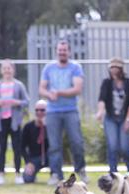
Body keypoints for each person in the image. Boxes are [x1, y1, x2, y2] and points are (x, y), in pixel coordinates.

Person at [39, 39, 87, 185]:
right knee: (54, 145)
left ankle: (80, 171)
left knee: (77, 142)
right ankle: (56, 174)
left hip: (70, 111)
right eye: (60, 50)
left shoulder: (75, 68)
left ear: (69, 51)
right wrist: (49, 95)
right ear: (56, 51)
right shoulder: (48, 68)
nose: (62, 52)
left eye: (64, 50)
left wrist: (58, 92)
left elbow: (77, 89)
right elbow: (41, 89)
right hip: (53, 111)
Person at [0, 59, 29, 185]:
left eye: (9, 68)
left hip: (15, 121)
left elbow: (26, 101)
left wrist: (17, 102)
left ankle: (18, 174)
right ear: (1, 70)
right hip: (1, 122)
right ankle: (1, 174)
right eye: (5, 68)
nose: (7, 70)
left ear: (13, 70)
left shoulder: (18, 85)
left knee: (17, 148)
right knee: (2, 148)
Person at [95, 57, 129, 174]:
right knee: (112, 146)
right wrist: (100, 111)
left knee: (124, 147)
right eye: (112, 67)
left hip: (125, 117)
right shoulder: (106, 83)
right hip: (110, 118)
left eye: (116, 67)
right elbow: (102, 98)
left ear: (121, 69)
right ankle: (113, 173)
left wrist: (128, 120)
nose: (114, 70)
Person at [20, 100, 50, 183]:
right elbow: (22, 147)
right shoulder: (28, 126)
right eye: (37, 110)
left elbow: (55, 145)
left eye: (42, 110)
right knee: (27, 179)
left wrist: (46, 127)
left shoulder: (52, 126)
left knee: (55, 158)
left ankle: (54, 175)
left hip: (50, 157)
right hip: (34, 159)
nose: (39, 112)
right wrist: (28, 162)